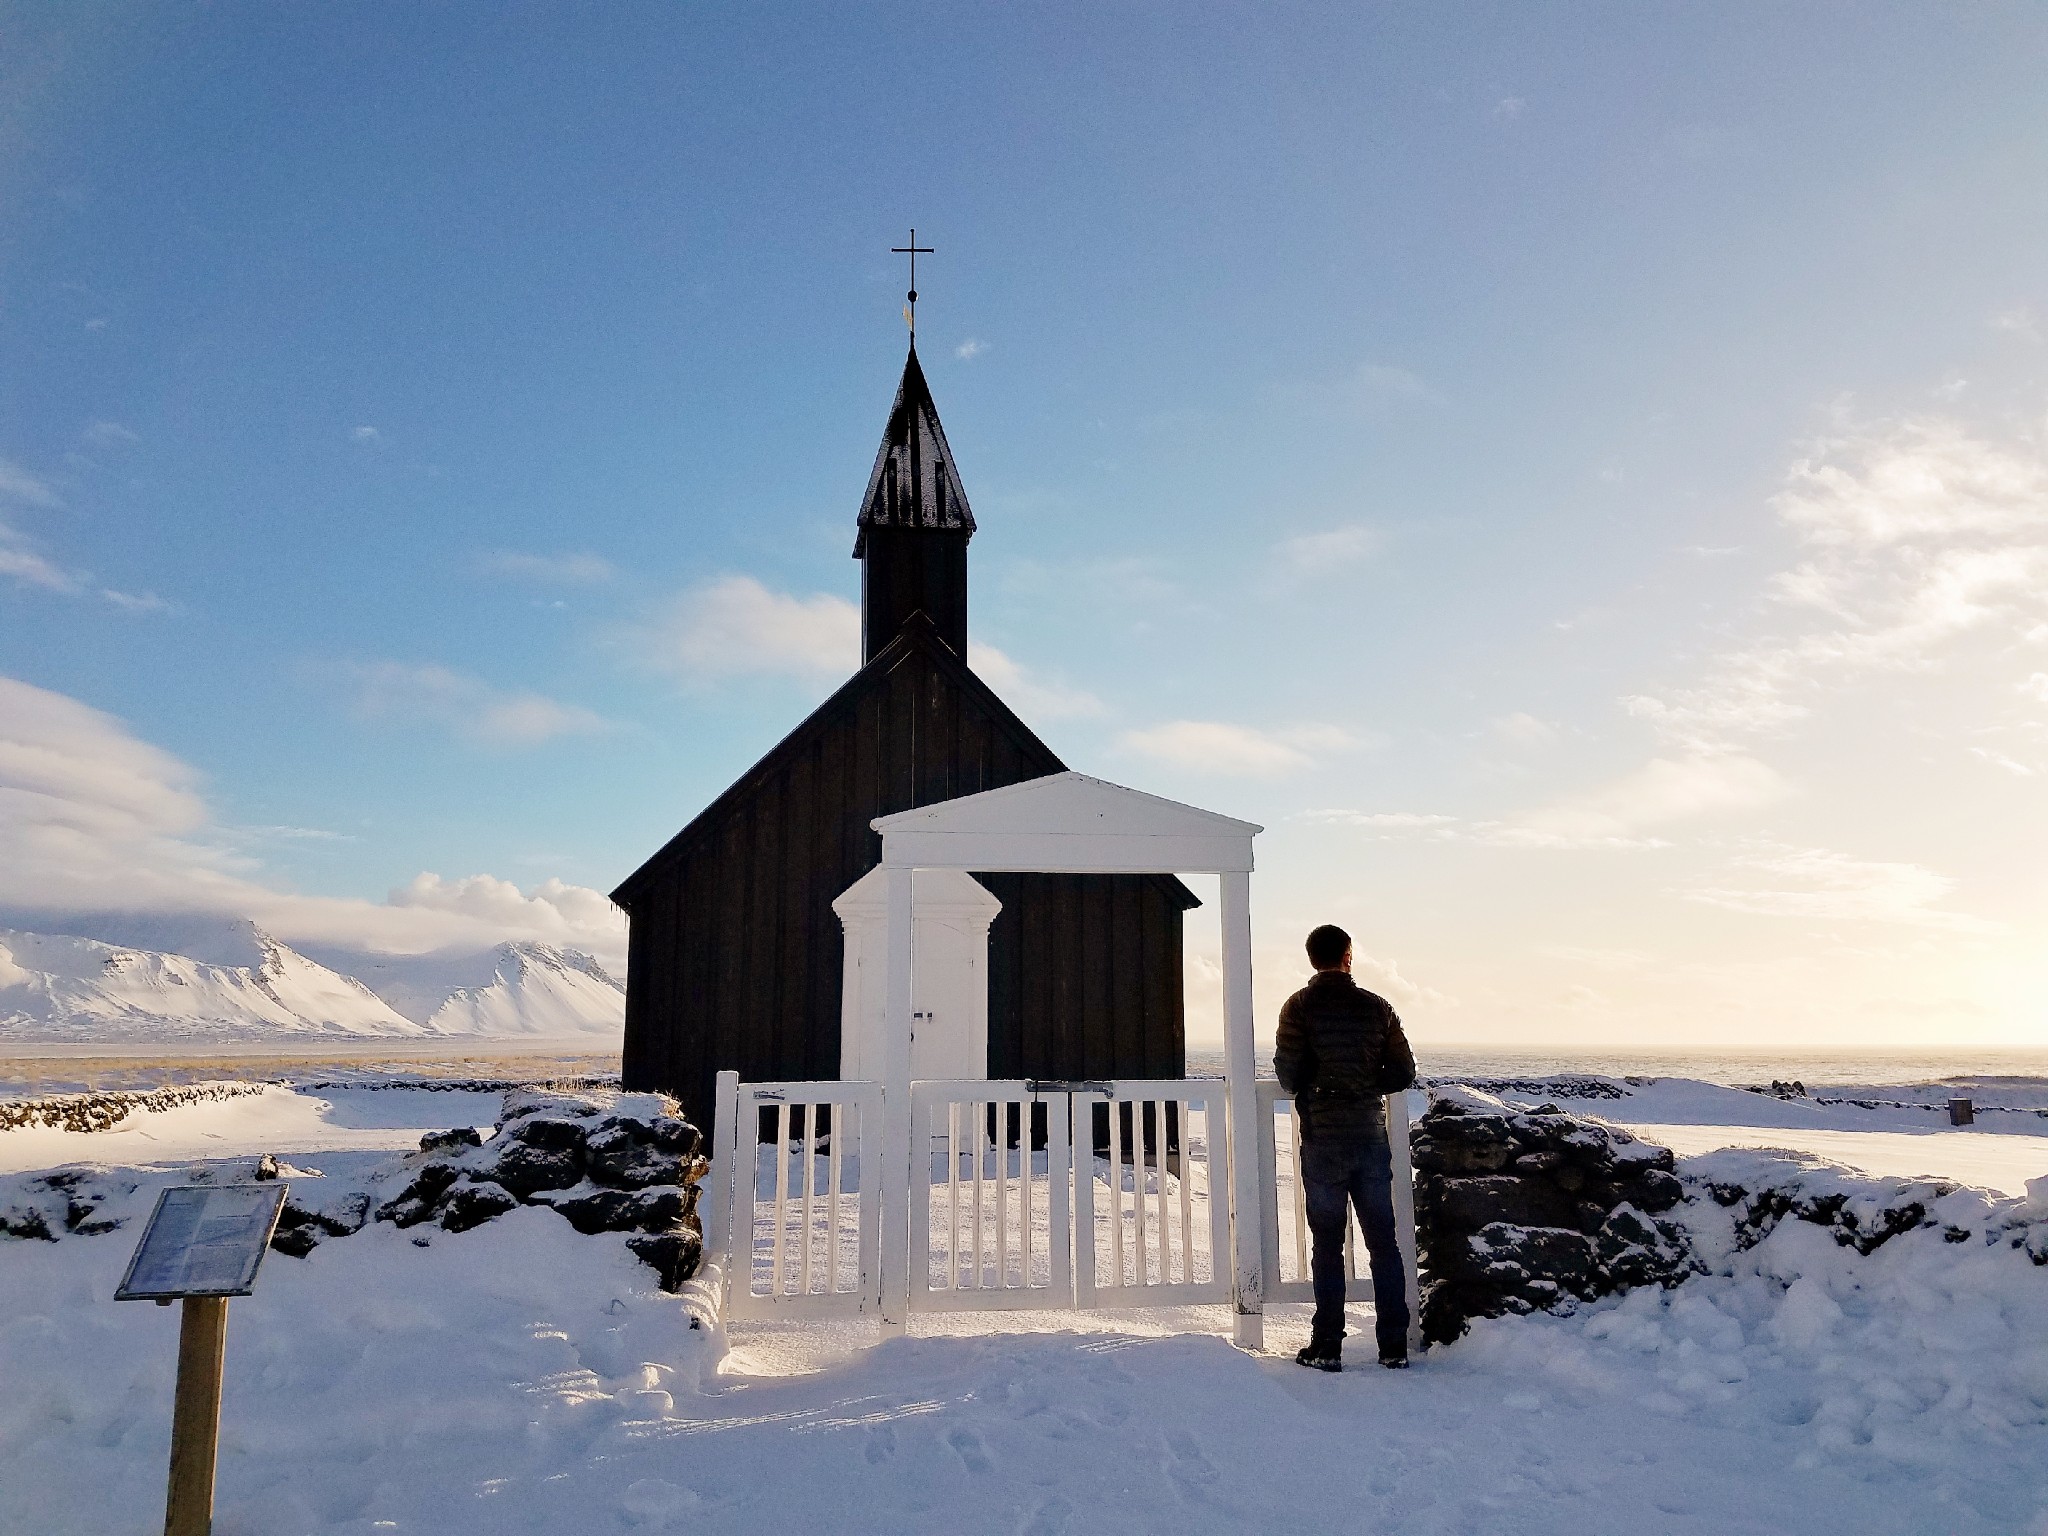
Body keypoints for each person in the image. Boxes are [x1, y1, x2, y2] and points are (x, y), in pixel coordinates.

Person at [1273, 923, 1417, 1371]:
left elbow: (1289, 1074)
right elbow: (1403, 1072)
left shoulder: (1298, 1007)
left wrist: (1324, 1085)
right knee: (1383, 1243)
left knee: (1328, 1244)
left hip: (1323, 1139)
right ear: (1348, 956)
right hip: (1370, 1137)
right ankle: (1393, 1345)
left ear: (1312, 959)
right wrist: (1363, 1084)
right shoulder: (1378, 1008)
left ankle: (1328, 1345)